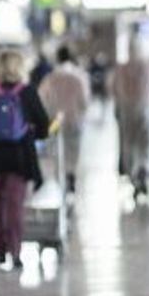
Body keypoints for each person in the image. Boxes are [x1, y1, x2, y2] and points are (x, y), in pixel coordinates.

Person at [0, 49, 50, 269]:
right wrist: (31, 130)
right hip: (20, 157)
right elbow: (44, 127)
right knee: (15, 206)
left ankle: (1, 250)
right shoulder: (27, 92)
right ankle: (15, 252)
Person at [111, 39, 149, 198]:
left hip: (126, 110)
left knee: (128, 144)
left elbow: (113, 89)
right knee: (147, 143)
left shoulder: (121, 69)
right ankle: (143, 170)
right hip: (146, 108)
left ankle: (133, 175)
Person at [37, 46, 90, 193]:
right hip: (75, 120)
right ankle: (70, 174)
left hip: (55, 122)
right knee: (74, 149)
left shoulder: (50, 78)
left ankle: (61, 177)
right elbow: (85, 101)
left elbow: (41, 99)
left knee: (58, 149)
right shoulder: (79, 77)